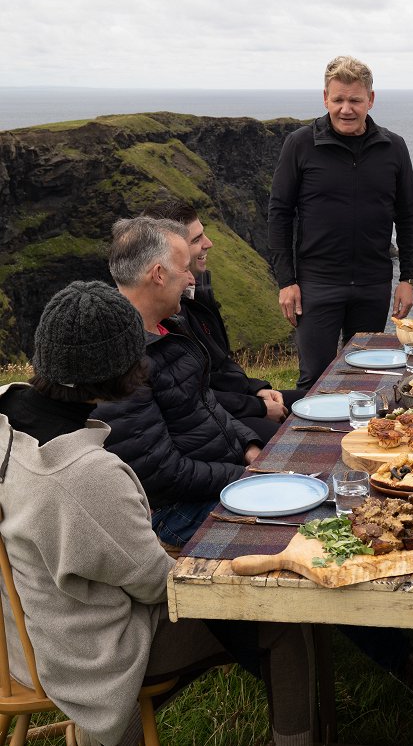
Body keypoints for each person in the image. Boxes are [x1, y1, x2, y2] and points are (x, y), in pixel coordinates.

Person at [0, 281, 317, 746]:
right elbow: (158, 585)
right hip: (79, 651)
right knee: (282, 621)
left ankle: (107, 731)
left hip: (15, 630)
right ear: (124, 369)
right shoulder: (84, 474)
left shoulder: (6, 409)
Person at [97, 216, 263, 549]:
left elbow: (205, 405)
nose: (191, 278)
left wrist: (249, 446)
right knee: (307, 531)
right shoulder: (120, 359)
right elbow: (161, 474)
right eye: (183, 269)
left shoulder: (167, 327)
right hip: (177, 513)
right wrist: (245, 480)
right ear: (158, 275)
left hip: (220, 479)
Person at [268, 55, 413, 389]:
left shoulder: (394, 147)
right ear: (325, 98)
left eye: (355, 100)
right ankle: (304, 442)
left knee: (365, 377)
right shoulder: (300, 144)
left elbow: (409, 215)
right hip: (317, 285)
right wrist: (286, 281)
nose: (346, 109)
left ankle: (359, 441)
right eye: (338, 100)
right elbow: (279, 213)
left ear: (371, 99)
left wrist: (409, 276)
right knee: (313, 379)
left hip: (372, 284)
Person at [142, 198, 306, 445]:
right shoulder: (168, 313)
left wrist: (256, 389)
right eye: (196, 240)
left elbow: (220, 364)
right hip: (216, 419)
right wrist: (258, 406)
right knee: (292, 444)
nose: (209, 243)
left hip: (234, 403)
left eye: (203, 235)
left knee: (319, 401)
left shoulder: (196, 296)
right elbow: (196, 395)